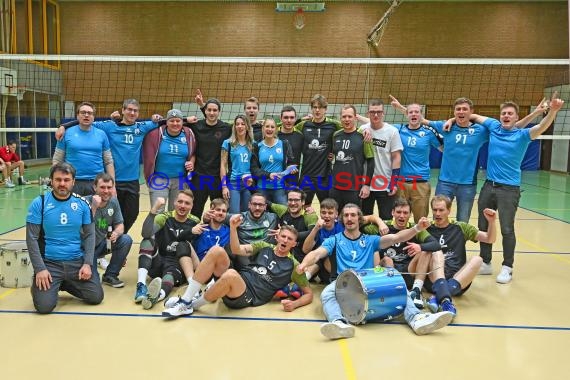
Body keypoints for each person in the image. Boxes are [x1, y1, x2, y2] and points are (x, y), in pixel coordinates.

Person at [297, 203, 453, 340]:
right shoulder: (335, 239)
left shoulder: (370, 240)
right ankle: (339, 323)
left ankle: (416, 319)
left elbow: (396, 238)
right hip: (343, 283)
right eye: (346, 215)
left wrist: (417, 228)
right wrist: (304, 264)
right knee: (326, 294)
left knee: (397, 284)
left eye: (353, 215)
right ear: (341, 219)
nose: (349, 218)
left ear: (359, 219)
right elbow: (317, 253)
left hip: (369, 281)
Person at [469, 96, 565, 283]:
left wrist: (552, 111)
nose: (506, 116)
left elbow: (541, 127)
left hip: (509, 189)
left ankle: (507, 267)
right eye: (503, 113)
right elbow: (473, 115)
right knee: (483, 225)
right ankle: (486, 262)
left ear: (516, 117)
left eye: (510, 114)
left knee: (506, 228)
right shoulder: (494, 127)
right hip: (489, 186)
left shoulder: (522, 135)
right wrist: (451, 120)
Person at [161, 216, 313, 318]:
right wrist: (233, 228)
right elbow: (236, 250)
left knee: (231, 274)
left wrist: (294, 304)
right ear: (277, 237)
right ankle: (186, 300)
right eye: (283, 236)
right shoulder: (264, 246)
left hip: (248, 296)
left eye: (290, 239)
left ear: (294, 244)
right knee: (217, 251)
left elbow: (309, 294)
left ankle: (192, 304)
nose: (285, 240)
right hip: (238, 282)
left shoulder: (294, 265)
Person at [57, 99, 162, 232]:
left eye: (135, 110)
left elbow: (169, 122)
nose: (132, 112)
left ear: (138, 113)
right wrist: (63, 126)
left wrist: (157, 118)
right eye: (129, 109)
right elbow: (86, 121)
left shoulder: (142, 127)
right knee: (106, 214)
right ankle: (103, 240)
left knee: (132, 214)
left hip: (132, 181)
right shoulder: (109, 126)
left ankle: (117, 237)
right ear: (123, 110)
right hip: (111, 181)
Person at [25, 162, 103, 314]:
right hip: (50, 263)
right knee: (44, 307)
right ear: (51, 181)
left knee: (96, 297)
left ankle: (63, 283)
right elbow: (31, 239)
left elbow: (89, 235)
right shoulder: (39, 203)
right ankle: (45, 284)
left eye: (66, 180)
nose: (62, 183)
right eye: (58, 179)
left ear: (73, 182)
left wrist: (87, 263)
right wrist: (40, 269)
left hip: (76, 261)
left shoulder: (82, 204)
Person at [424, 195, 497, 312]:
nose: (437, 213)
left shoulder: (461, 227)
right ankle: (446, 300)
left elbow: (490, 239)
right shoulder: (426, 228)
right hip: (434, 280)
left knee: (478, 259)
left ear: (449, 210)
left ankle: (438, 297)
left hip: (458, 280)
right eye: (435, 210)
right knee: (435, 254)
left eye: (441, 210)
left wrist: (492, 222)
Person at [135, 190, 201, 309]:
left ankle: (158, 296)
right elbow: (145, 233)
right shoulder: (164, 218)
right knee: (147, 241)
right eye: (180, 201)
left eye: (187, 203)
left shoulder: (195, 222)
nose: (182, 205)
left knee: (169, 278)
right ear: (174, 202)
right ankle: (141, 285)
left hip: (176, 265)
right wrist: (154, 209)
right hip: (158, 261)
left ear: (192, 206)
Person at [371, 198, 441, 309]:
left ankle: (416, 291)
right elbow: (359, 221)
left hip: (409, 271)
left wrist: (420, 246)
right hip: (387, 271)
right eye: (398, 212)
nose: (402, 216)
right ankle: (393, 292)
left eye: (405, 213)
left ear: (410, 214)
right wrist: (377, 220)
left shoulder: (416, 229)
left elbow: (436, 245)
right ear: (392, 212)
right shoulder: (383, 227)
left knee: (426, 252)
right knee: (387, 259)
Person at [388, 97, 443, 222]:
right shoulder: (399, 129)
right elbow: (377, 125)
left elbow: (444, 149)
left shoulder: (429, 132)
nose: (414, 114)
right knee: (400, 220)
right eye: (411, 112)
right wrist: (357, 117)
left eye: (417, 112)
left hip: (420, 183)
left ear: (421, 115)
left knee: (421, 221)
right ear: (407, 115)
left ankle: (421, 242)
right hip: (401, 183)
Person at [52, 102, 115, 195]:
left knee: (96, 209)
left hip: (97, 183)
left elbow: (108, 161)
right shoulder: (66, 133)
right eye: (83, 112)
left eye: (89, 113)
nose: (86, 115)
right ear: (77, 116)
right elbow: (57, 159)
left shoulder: (101, 134)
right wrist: (55, 180)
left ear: (93, 117)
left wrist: (112, 185)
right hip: (72, 182)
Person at [142, 109, 196, 213]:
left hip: (180, 180)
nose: (175, 123)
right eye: (171, 121)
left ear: (182, 122)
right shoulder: (155, 134)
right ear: (166, 122)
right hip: (159, 179)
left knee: (176, 212)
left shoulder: (189, 134)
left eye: (178, 121)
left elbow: (193, 153)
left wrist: (192, 162)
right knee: (157, 212)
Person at [187, 97, 232, 218]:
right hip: (199, 176)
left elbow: (243, 128)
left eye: (215, 110)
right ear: (205, 111)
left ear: (219, 112)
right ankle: (193, 235)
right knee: (196, 209)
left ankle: (217, 234)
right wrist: (186, 118)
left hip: (217, 177)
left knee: (219, 211)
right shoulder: (196, 126)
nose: (212, 113)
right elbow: (174, 122)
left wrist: (259, 124)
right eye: (209, 110)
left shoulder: (226, 128)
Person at [359, 99, 403, 220]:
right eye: (372, 112)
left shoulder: (392, 131)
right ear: (368, 114)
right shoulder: (362, 129)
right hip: (365, 185)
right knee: (364, 220)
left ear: (383, 113)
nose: (376, 115)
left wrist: (393, 182)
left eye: (379, 112)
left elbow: (396, 157)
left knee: (386, 219)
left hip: (385, 185)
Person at [269, 188, 317, 298]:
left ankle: (297, 285)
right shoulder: (283, 210)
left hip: (303, 255)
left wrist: (286, 235)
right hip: (286, 255)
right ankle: (286, 286)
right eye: (290, 200)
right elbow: (266, 202)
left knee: (312, 263)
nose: (293, 203)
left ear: (303, 202)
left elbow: (310, 233)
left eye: (296, 200)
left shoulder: (310, 216)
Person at [295, 94, 342, 206]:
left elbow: (351, 131)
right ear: (311, 108)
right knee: (303, 207)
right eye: (314, 107)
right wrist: (299, 119)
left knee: (328, 208)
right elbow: (285, 128)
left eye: (320, 107)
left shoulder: (334, 125)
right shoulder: (304, 125)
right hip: (307, 175)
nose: (317, 110)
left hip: (324, 176)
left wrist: (334, 153)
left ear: (325, 109)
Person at [88, 172, 133, 288]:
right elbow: (82, 228)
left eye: (109, 187)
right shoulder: (84, 202)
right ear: (94, 187)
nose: (106, 191)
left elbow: (120, 225)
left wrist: (116, 233)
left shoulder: (113, 202)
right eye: (102, 187)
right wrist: (94, 207)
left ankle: (110, 275)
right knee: (93, 284)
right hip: (86, 249)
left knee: (125, 239)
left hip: (104, 244)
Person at [330, 104, 374, 211]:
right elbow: (332, 156)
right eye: (344, 116)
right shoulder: (336, 135)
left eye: (349, 116)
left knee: (353, 220)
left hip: (354, 188)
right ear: (340, 118)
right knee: (335, 218)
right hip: (335, 187)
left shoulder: (364, 136)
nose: (347, 119)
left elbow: (370, 162)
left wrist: (366, 185)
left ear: (355, 117)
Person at [251, 118, 296, 204]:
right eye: (267, 126)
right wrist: (269, 175)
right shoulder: (257, 146)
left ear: (275, 130)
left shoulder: (284, 144)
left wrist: (290, 167)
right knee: (261, 213)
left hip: (279, 187)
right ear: (263, 129)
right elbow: (254, 169)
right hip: (262, 187)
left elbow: (290, 161)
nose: (269, 129)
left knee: (283, 212)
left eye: (272, 127)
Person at [220, 115, 254, 213]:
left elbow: (255, 166)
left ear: (247, 126)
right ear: (234, 127)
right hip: (234, 182)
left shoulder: (253, 144)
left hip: (248, 183)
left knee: (246, 214)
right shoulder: (228, 143)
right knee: (234, 215)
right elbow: (223, 165)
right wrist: (224, 186)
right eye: (237, 124)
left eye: (243, 124)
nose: (240, 126)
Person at [277, 106, 304, 187]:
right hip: (276, 177)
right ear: (280, 118)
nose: (289, 120)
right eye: (286, 117)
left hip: (293, 179)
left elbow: (309, 154)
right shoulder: (274, 135)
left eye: (292, 117)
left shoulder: (300, 136)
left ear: (295, 119)